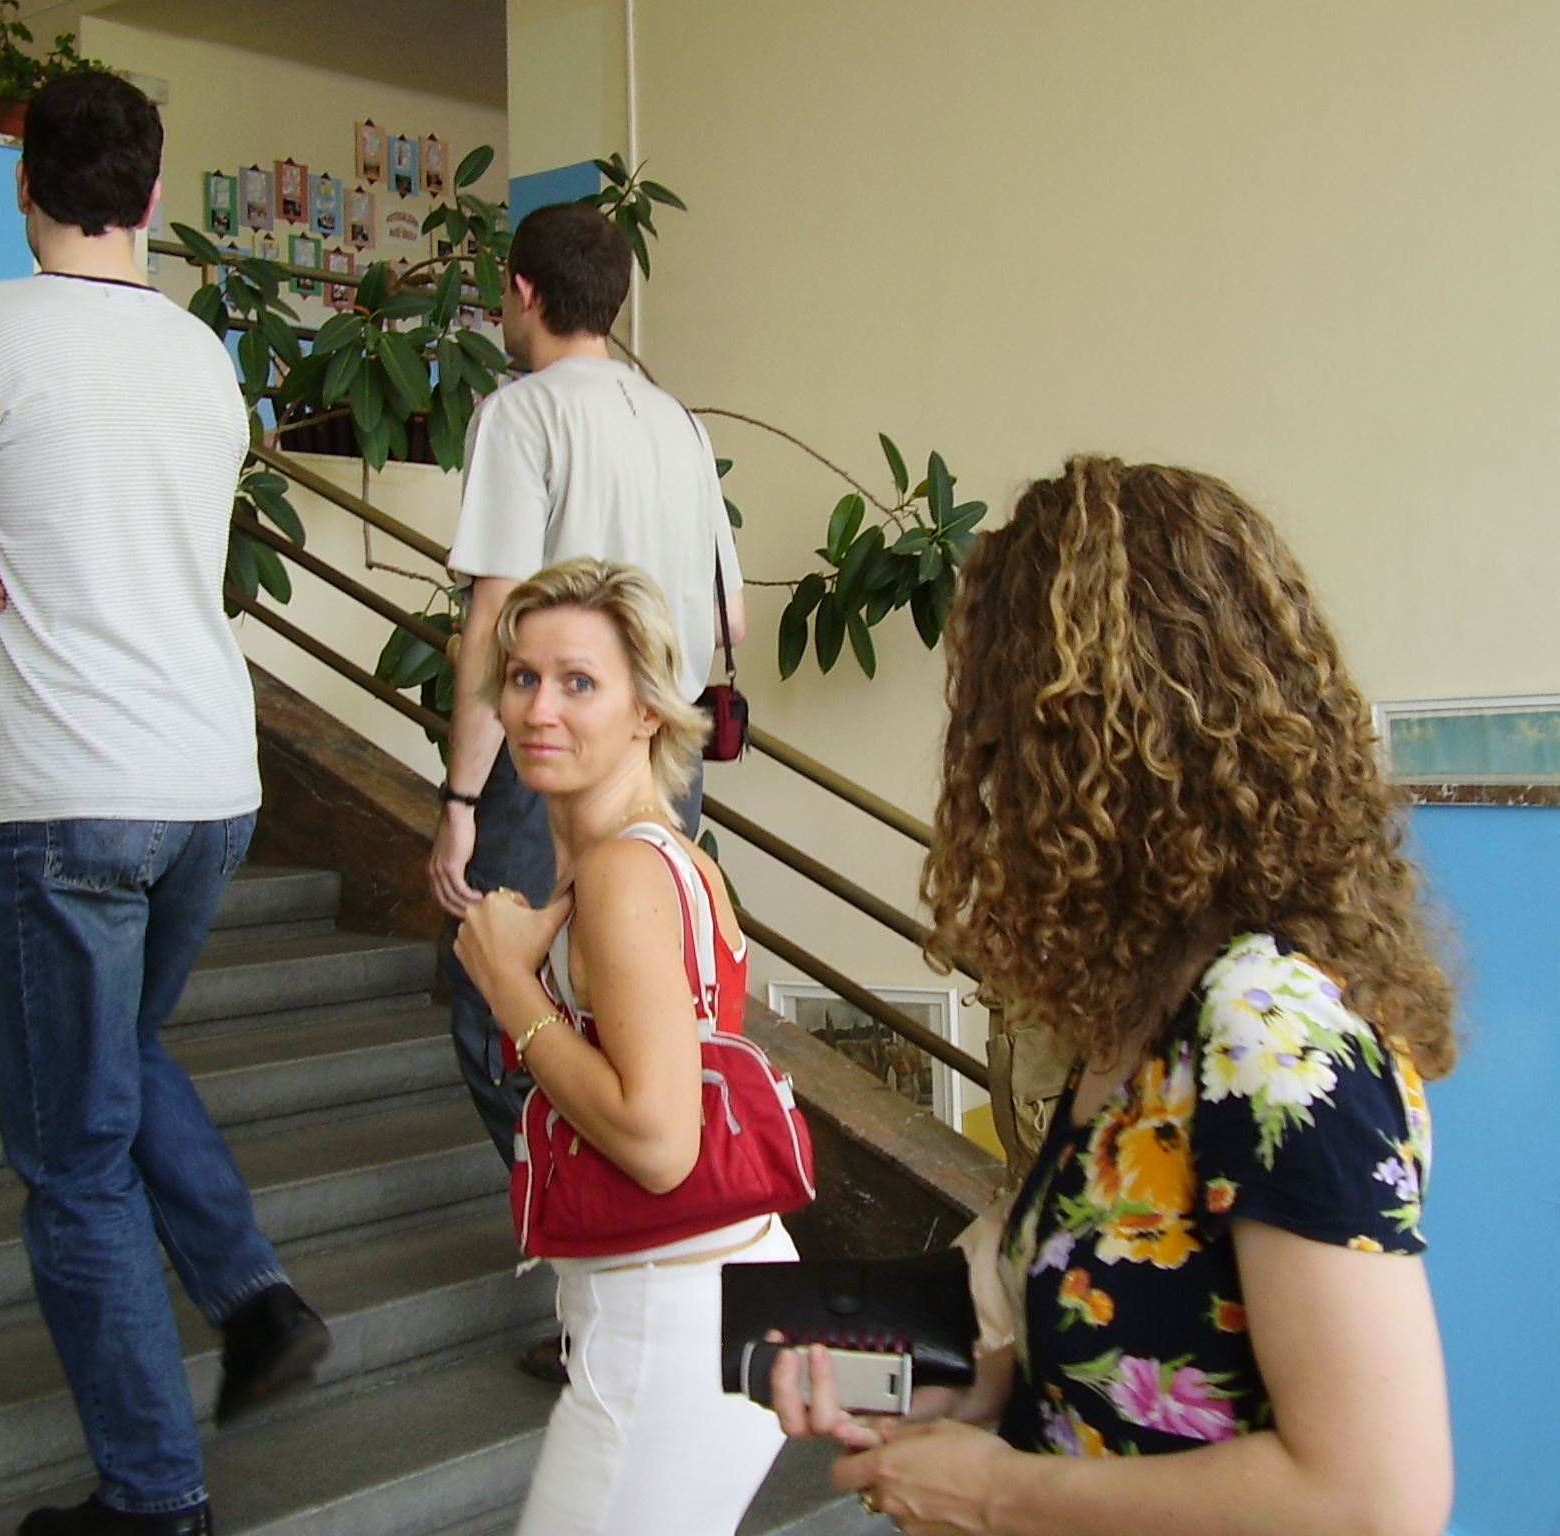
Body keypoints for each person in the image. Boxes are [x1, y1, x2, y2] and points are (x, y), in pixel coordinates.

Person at [773, 456, 1457, 1536]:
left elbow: (1374, 1500)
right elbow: (1149, 1354)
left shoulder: (1265, 1027)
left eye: (999, 723)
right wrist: (962, 1393)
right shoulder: (1141, 1025)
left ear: (1086, 740)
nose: (980, 767)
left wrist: (995, 1496)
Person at [0, 72, 328, 1536]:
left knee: (71, 1162)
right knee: (121, 1052)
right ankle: (254, 1298)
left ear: (23, 189)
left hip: (72, 798)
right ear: (149, 195)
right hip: (210, 780)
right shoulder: (202, 356)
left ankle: (154, 1499)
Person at [453, 558, 799, 1536]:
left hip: (667, 1329)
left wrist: (507, 986)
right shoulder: (672, 858)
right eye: (522, 677)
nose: (538, 710)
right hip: (702, 1302)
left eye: (579, 682)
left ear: (648, 708)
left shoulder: (621, 875)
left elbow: (657, 1141)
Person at [430, 199, 743, 1275]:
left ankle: (594, 1240)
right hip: (662, 754)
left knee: (495, 998)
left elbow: (495, 620)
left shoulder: (521, 415)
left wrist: (461, 800)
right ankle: (625, 1235)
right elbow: (728, 615)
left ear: (523, 291)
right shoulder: (677, 423)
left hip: (557, 767)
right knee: (632, 1009)